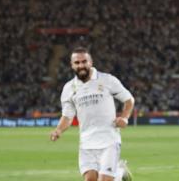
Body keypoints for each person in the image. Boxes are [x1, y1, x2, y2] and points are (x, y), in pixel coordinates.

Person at [49, 47, 134, 181]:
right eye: (77, 63)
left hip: (109, 141)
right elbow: (67, 116)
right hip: (87, 143)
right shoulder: (69, 88)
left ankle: (117, 174)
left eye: (84, 61)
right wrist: (58, 130)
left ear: (91, 62)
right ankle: (119, 174)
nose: (81, 65)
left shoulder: (107, 80)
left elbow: (129, 100)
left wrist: (124, 118)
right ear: (72, 65)